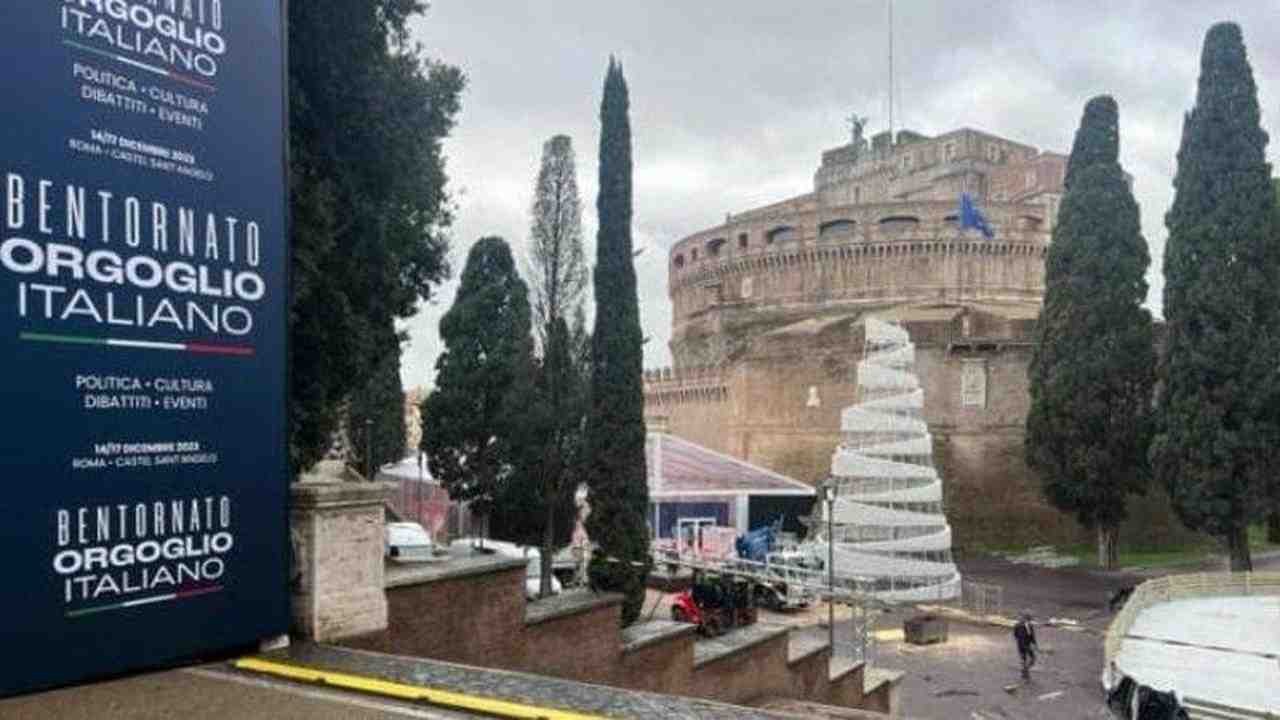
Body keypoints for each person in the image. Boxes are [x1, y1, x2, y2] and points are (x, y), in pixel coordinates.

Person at [1013, 611, 1038, 679]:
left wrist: (1035, 644)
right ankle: (1025, 672)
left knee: (1032, 659)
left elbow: (1032, 635)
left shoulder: (1030, 626)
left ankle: (1025, 670)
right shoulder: (1018, 626)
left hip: (1027, 644)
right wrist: (1024, 645)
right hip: (1022, 645)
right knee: (1025, 659)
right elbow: (1016, 635)